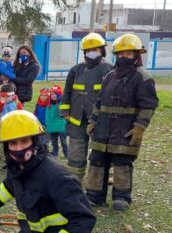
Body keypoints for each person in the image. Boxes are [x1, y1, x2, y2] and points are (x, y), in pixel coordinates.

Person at [84, 33, 159, 212]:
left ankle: (121, 198)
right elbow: (99, 102)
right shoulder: (110, 76)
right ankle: (94, 196)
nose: (123, 57)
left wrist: (140, 127)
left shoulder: (143, 77)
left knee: (122, 163)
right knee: (96, 162)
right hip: (103, 128)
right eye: (120, 54)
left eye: (128, 54)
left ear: (136, 55)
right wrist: (93, 121)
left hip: (125, 130)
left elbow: (148, 105)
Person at [61, 32, 113, 182]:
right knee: (76, 152)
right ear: (84, 52)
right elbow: (67, 92)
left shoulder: (109, 70)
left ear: (102, 51)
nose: (92, 52)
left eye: (96, 49)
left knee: (100, 152)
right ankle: (74, 180)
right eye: (89, 50)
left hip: (100, 120)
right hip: (77, 119)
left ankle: (99, 181)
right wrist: (65, 110)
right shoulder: (75, 70)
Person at [45, 85, 68, 158]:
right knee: (54, 141)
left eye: (55, 94)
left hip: (61, 125)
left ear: (58, 95)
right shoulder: (49, 105)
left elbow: (64, 114)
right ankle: (55, 153)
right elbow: (47, 115)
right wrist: (47, 124)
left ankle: (66, 153)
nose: (53, 96)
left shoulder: (62, 104)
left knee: (63, 141)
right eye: (51, 94)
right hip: (52, 126)